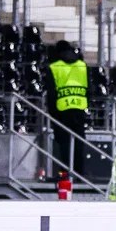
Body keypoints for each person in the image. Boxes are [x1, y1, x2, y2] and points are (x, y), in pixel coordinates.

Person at [45, 39, 90, 175]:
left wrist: (52, 111)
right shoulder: (82, 66)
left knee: (64, 143)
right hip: (79, 109)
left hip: (62, 111)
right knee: (79, 142)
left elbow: (51, 92)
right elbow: (90, 89)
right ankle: (80, 172)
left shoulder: (54, 67)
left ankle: (65, 172)